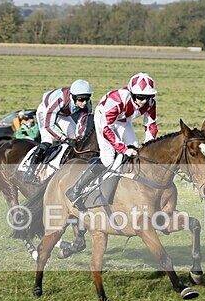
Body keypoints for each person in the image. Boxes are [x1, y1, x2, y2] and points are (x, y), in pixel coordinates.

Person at [66, 72, 158, 211]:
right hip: (104, 121)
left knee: (135, 152)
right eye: (140, 97)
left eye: (148, 97)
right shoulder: (116, 100)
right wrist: (122, 148)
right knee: (108, 160)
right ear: (132, 93)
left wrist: (148, 146)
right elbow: (106, 129)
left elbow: (151, 124)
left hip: (123, 120)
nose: (144, 101)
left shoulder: (150, 103)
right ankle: (77, 190)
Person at [25, 79, 93, 180]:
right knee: (48, 140)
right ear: (73, 97)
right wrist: (64, 139)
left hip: (64, 114)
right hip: (46, 111)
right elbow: (49, 126)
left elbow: (82, 124)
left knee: (76, 139)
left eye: (86, 99)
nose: (84, 103)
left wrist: (78, 137)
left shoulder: (87, 105)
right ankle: (30, 170)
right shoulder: (60, 100)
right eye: (81, 100)